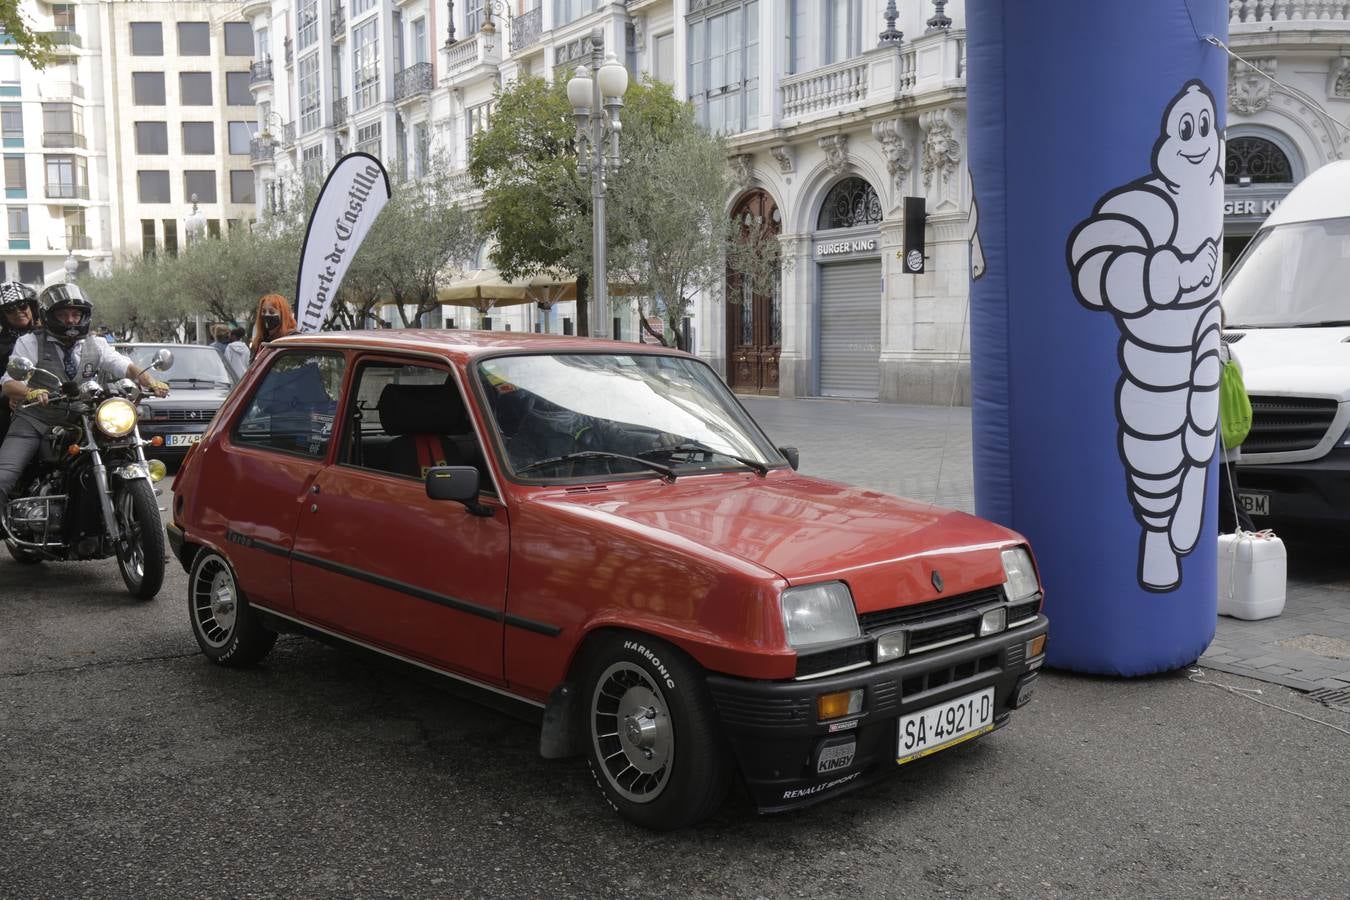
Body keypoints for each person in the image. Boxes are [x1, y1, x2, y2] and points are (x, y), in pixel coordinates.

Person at [0, 284, 169, 519]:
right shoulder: (29, 342)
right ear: (49, 315)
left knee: (121, 446)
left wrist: (150, 380)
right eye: (63, 314)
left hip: (83, 420)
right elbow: (9, 383)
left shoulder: (96, 344)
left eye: (75, 314)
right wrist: (29, 392)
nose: (70, 320)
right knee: (4, 476)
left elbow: (122, 365)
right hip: (35, 421)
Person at [1218, 335, 1255, 535]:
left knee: (1228, 507)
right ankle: (1247, 552)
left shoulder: (1206, 355)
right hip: (1229, 439)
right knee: (1231, 505)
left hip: (1213, 445)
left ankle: (1246, 552)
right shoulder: (1229, 352)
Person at [0, 282, 42, 447]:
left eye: (22, 306)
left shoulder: (48, 335)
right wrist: (7, 396)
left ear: (31, 307)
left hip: (54, 398)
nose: (18, 312)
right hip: (13, 403)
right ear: (3, 315)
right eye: (10, 310)